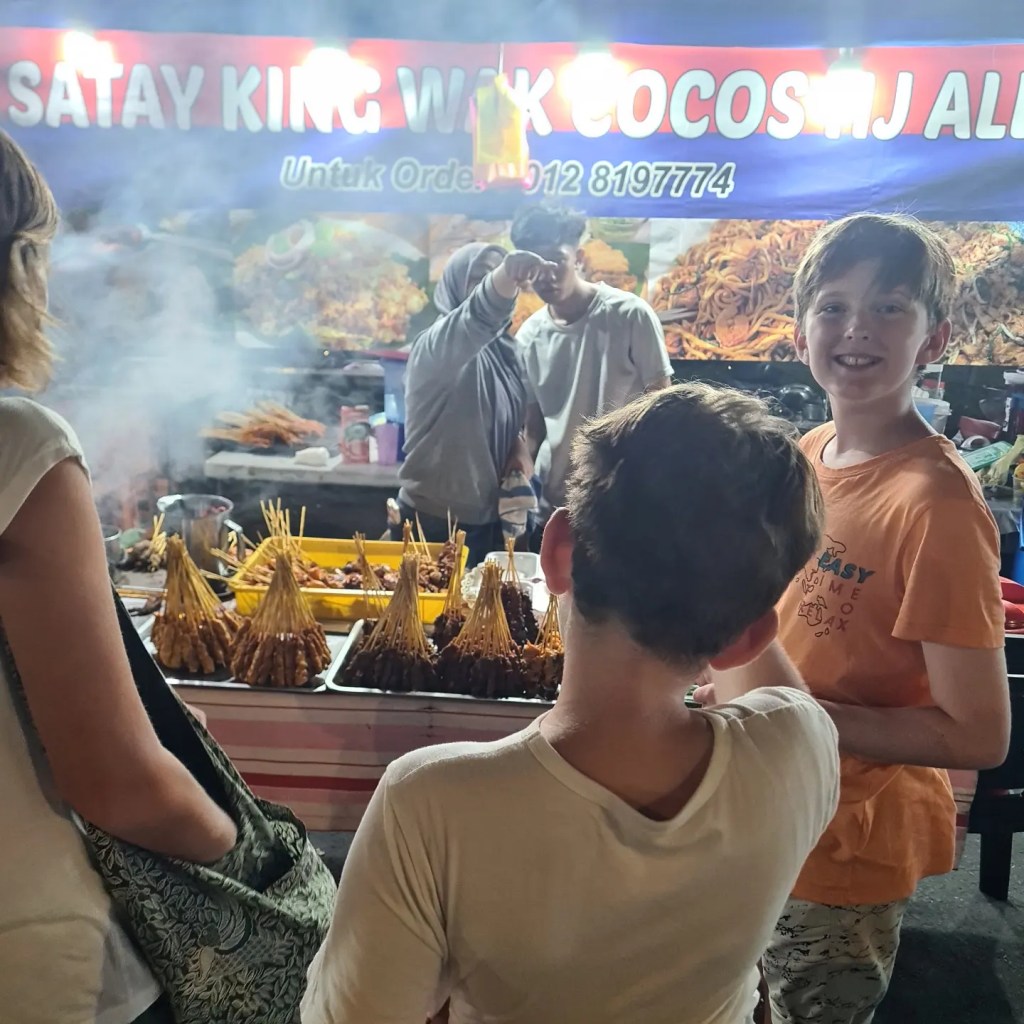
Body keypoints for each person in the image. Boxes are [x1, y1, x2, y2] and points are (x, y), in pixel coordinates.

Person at [301, 382, 841, 1024]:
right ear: (748, 637)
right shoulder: (799, 746)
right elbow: (767, 677)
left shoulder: (430, 804)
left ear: (555, 553)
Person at [698, 213, 1011, 1024]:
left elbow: (979, 735)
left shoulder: (936, 504)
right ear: (799, 333)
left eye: (889, 307)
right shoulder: (811, 453)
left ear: (934, 339)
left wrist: (796, 717)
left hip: (847, 840)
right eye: (833, 307)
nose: (856, 330)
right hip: (765, 808)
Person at [0, 132, 237, 1023]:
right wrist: (239, 846)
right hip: (35, 959)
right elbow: (116, 782)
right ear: (20, 263)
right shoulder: (17, 446)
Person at [510, 203, 673, 519]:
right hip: (556, 502)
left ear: (578, 258)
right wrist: (516, 474)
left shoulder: (630, 315)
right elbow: (534, 430)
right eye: (535, 266)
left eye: (556, 260)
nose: (546, 276)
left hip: (623, 500)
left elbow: (662, 406)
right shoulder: (528, 337)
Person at [395, 242, 552, 566]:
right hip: (433, 523)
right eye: (479, 277)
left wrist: (516, 446)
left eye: (492, 276)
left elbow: (501, 418)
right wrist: (507, 274)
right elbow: (479, 315)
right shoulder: (436, 346)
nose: (489, 286)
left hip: (488, 521)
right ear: (453, 283)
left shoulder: (506, 351)